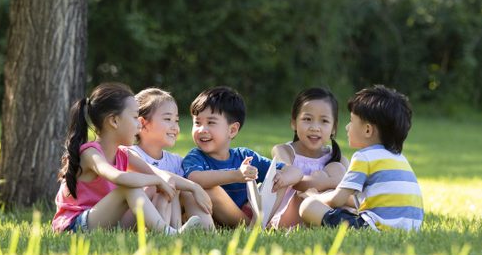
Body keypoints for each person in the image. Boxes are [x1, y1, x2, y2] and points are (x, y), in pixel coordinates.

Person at [51, 82, 202, 234]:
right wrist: (156, 180)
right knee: (129, 188)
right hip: (77, 226)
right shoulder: (90, 153)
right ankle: (167, 233)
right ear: (114, 121)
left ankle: (167, 231)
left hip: (107, 222)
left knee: (152, 188)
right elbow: (119, 177)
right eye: (135, 117)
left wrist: (194, 187)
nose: (139, 125)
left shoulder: (123, 153)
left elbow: (159, 174)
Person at [299, 85, 424, 231]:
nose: (347, 127)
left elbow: (337, 199)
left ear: (367, 130)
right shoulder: (399, 157)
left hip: (376, 228)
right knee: (347, 209)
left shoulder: (364, 157)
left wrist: (314, 197)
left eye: (352, 121)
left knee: (308, 207)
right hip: (412, 228)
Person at [182, 86, 303, 227]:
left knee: (280, 178)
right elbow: (195, 178)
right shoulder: (195, 156)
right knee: (210, 189)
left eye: (211, 122)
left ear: (232, 130)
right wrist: (236, 175)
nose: (202, 129)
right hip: (221, 217)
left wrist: (283, 178)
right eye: (197, 122)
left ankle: (260, 223)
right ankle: (254, 227)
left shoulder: (244, 155)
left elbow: (296, 171)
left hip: (250, 212)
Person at [131, 87, 215, 229]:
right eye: (168, 119)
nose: (175, 127)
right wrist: (194, 187)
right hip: (136, 217)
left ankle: (209, 233)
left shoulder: (175, 161)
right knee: (167, 184)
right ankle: (170, 231)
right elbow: (161, 176)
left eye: (176, 120)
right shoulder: (131, 153)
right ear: (143, 123)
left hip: (169, 214)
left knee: (183, 190)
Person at [268, 87, 349, 228]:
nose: (315, 127)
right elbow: (294, 182)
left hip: (324, 209)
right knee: (302, 195)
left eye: (324, 121)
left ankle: (340, 220)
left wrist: (327, 188)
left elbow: (350, 190)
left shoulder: (338, 159)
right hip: (289, 214)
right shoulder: (284, 151)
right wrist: (329, 182)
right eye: (307, 119)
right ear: (294, 122)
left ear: (334, 128)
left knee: (340, 187)